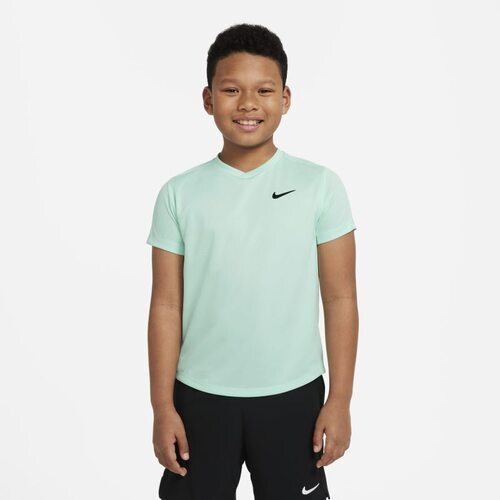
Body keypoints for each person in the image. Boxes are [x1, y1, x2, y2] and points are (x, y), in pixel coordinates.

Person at [146, 23, 358, 500]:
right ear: (208, 99)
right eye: (231, 90)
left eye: (263, 90)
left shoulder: (320, 186)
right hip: (199, 397)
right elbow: (165, 305)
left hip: (293, 397)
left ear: (285, 98)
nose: (247, 104)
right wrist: (162, 406)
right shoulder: (179, 194)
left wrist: (340, 400)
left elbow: (341, 298)